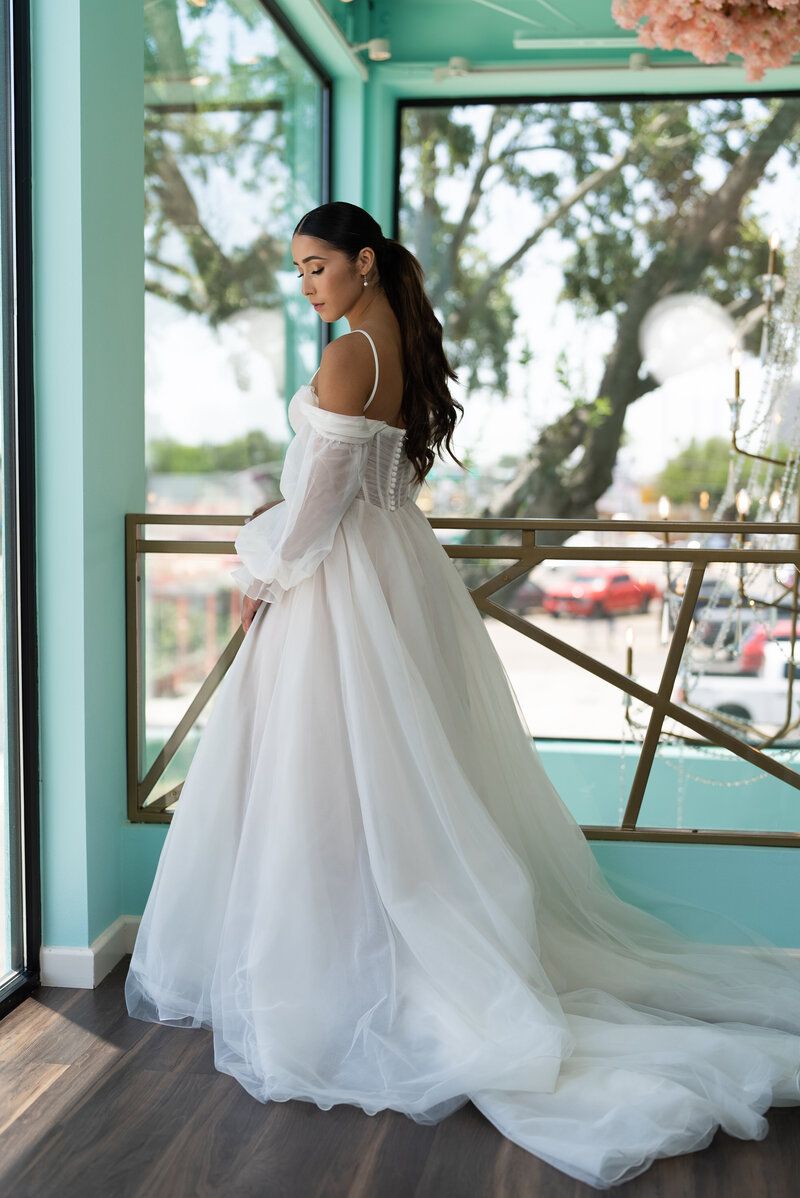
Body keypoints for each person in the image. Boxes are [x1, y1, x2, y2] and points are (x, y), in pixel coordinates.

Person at [125, 201, 800, 1191]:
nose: (306, 285)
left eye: (316, 266)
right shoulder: (389, 341)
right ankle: (371, 951)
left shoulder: (350, 353)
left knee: (325, 787)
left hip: (339, 587)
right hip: (396, 577)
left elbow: (317, 507)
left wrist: (260, 573)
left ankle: (340, 970)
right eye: (299, 271)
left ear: (361, 262)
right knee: (386, 785)